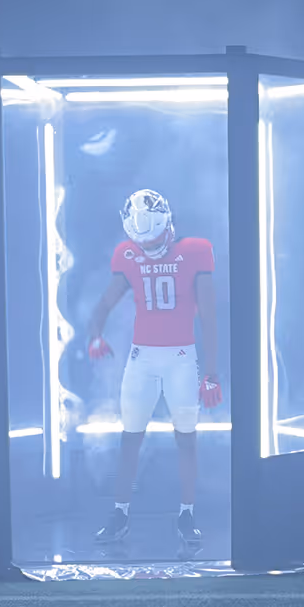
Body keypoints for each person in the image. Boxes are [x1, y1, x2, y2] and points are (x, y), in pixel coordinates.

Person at [85, 189, 219, 556]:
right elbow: (104, 303)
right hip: (141, 358)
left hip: (180, 357)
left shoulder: (194, 251)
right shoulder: (127, 256)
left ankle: (187, 514)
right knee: (130, 438)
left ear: (168, 225)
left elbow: (208, 315)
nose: (149, 246)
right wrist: (95, 333)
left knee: (186, 439)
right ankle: (120, 512)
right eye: (141, 241)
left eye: (155, 238)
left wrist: (212, 372)